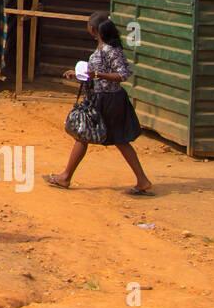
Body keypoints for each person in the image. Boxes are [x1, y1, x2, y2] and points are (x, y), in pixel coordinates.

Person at [46, 11, 154, 195]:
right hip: (106, 98)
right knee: (118, 140)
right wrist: (80, 74)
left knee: (84, 135)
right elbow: (99, 72)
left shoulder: (109, 50)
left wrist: (97, 75)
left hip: (109, 100)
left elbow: (122, 75)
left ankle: (65, 177)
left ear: (93, 29)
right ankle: (142, 180)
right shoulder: (104, 48)